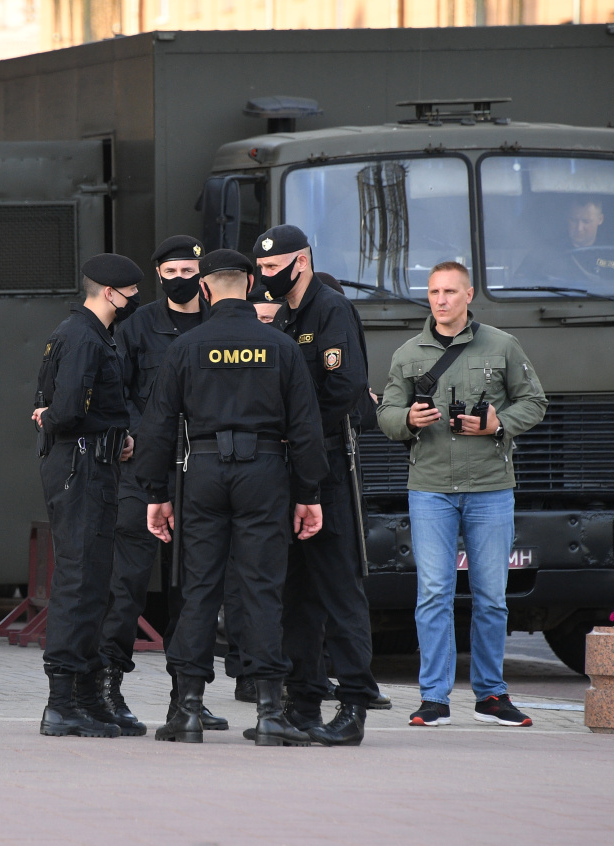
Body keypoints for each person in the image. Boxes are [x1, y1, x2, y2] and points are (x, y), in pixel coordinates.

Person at [135, 248, 328, 746]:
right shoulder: (280, 345)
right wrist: (308, 491)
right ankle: (269, 712)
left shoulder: (187, 346)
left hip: (202, 471)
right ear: (249, 284)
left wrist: (156, 492)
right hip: (265, 471)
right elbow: (305, 426)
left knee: (199, 586)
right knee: (262, 585)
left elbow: (157, 425)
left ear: (204, 288)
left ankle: (187, 710)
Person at [377, 261, 547, 727]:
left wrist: (498, 424)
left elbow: (535, 401)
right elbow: (386, 414)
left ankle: (491, 695)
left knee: (491, 596)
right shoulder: (408, 353)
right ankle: (434, 698)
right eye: (434, 292)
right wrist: (407, 419)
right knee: (434, 593)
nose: (441, 300)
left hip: (490, 488)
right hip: (430, 489)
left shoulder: (502, 345)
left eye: (450, 291)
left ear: (469, 295)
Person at [94, 235, 229, 736]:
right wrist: (135, 435)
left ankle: (186, 696)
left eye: (187, 272)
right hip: (144, 471)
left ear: (202, 274)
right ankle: (108, 689)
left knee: (193, 589)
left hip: (201, 470)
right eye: (169, 273)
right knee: (126, 584)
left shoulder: (220, 324)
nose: (179, 280)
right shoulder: (137, 325)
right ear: (157, 275)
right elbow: (117, 389)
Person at [255, 224, 380, 746]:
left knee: (338, 587)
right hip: (291, 468)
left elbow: (345, 387)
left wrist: (300, 434)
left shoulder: (330, 310)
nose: (265, 277)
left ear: (301, 260)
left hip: (326, 464)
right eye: (261, 268)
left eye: (272, 267)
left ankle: (353, 705)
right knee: (297, 593)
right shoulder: (286, 315)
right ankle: (303, 702)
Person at [31, 253, 140, 739]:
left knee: (94, 581)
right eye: (131, 292)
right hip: (82, 466)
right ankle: (61, 702)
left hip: (91, 462)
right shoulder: (84, 337)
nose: (136, 299)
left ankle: (87, 696)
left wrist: (120, 436)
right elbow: (68, 408)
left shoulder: (86, 334)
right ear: (110, 293)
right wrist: (51, 419)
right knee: (79, 581)